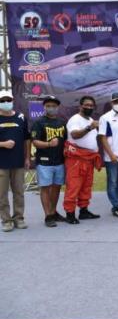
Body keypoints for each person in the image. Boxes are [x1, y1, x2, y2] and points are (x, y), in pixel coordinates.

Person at [64, 96, 102, 224]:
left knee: (86, 186)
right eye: (87, 105)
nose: (89, 107)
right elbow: (74, 135)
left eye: (91, 105)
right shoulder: (75, 119)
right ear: (80, 106)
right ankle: (70, 213)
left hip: (89, 158)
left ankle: (84, 211)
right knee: (74, 186)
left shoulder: (90, 120)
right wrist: (89, 128)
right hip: (76, 158)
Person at [31, 96, 66, 227]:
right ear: (44, 107)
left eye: (54, 106)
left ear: (58, 107)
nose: (51, 108)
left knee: (57, 187)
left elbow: (66, 140)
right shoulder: (38, 122)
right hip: (44, 161)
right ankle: (48, 216)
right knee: (45, 188)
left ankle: (53, 211)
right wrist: (48, 144)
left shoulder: (62, 122)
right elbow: (35, 141)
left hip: (59, 161)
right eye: (48, 106)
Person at [0, 89, 31, 232]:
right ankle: (6, 220)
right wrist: (3, 144)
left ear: (13, 101)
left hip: (18, 162)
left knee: (19, 192)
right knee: (2, 194)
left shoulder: (21, 117)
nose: (6, 102)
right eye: (2, 101)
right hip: (1, 164)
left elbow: (27, 139)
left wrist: (27, 157)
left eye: (8, 100)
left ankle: (19, 218)